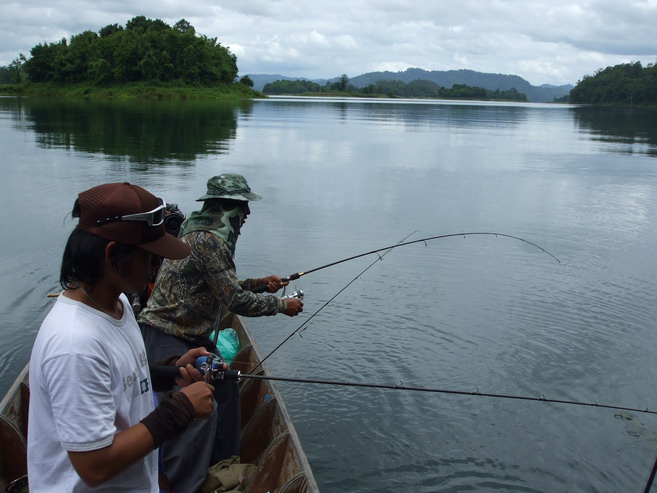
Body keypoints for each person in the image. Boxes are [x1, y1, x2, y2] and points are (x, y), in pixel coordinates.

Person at [28, 182, 216, 493]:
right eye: (151, 258)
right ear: (113, 255)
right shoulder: (74, 345)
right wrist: (181, 408)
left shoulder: (118, 304)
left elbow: (119, 379)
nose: (158, 268)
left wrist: (171, 372)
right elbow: (95, 466)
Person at [138, 173, 303, 491]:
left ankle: (222, 464)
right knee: (192, 411)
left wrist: (260, 283)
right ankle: (180, 483)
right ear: (228, 207)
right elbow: (234, 300)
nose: (247, 214)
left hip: (191, 336)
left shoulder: (204, 233)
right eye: (243, 206)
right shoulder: (210, 241)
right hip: (166, 336)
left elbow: (222, 285)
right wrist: (281, 305)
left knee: (226, 384)